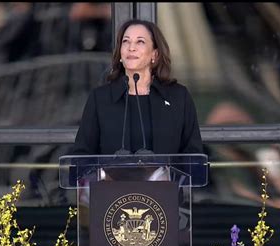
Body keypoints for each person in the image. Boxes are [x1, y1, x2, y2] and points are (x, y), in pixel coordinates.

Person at [71, 19, 203, 155]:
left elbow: (193, 155)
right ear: (120, 53)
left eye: (140, 42)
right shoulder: (100, 98)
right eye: (126, 41)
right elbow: (82, 155)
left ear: (155, 54)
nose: (131, 48)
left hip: (166, 177)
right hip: (114, 177)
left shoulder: (178, 97)